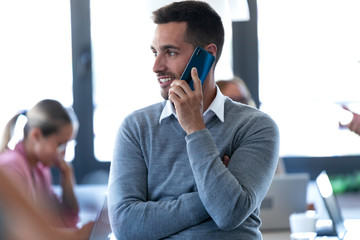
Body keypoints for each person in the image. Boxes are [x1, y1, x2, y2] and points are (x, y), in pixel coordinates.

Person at [108, 1, 279, 239]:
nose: (156, 66)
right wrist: (213, 194)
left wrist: (195, 128)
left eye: (170, 52)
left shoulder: (256, 126)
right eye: (155, 52)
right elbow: (126, 226)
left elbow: (229, 213)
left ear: (207, 55)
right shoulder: (136, 127)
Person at [0, 99, 81, 228]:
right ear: (36, 136)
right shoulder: (11, 167)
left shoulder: (40, 169)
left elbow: (67, 220)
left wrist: (67, 176)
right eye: (60, 144)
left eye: (68, 145)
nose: (63, 154)